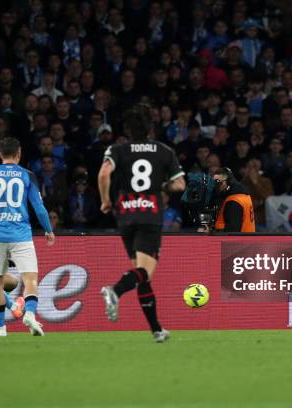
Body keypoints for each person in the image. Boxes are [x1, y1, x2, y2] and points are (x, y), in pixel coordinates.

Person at [98, 104, 185, 343]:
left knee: (142, 275)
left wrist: (106, 201)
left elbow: (104, 174)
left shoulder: (117, 149)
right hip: (150, 213)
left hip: (125, 213)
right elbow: (180, 185)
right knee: (145, 271)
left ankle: (157, 330)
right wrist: (163, 187)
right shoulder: (164, 151)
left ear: (127, 129)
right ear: (150, 128)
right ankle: (114, 290)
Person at [0, 137, 55, 337]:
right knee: (30, 279)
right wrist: (48, 229)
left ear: (0, 154)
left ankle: (1, 328)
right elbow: (39, 206)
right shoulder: (26, 175)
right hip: (21, 234)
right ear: (18, 154)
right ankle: (29, 314)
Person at [212, 167, 256, 232]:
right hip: (245, 240)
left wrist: (212, 232)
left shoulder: (233, 201)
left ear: (229, 182)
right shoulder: (242, 194)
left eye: (219, 183)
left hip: (236, 241)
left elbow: (232, 233)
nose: (217, 187)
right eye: (215, 183)